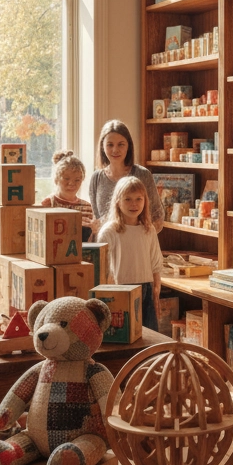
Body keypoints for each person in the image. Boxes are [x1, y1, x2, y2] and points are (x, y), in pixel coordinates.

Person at [96, 175, 162, 333]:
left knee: (149, 335)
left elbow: (155, 262)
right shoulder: (109, 231)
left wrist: (156, 291)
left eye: (139, 199)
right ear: (118, 201)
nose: (134, 204)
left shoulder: (148, 229)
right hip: (120, 289)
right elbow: (102, 268)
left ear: (145, 201)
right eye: (128, 199)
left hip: (146, 289)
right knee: (125, 334)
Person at [88, 121, 164, 232]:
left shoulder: (143, 175)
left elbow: (158, 217)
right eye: (110, 145)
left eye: (121, 144)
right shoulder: (96, 178)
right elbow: (96, 221)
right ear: (102, 147)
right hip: (107, 245)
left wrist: (138, 237)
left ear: (128, 146)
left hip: (136, 244)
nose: (115, 150)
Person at [40, 150, 95, 240]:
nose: (71, 183)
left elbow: (90, 241)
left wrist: (94, 229)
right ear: (56, 178)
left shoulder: (87, 207)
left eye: (77, 180)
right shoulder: (49, 204)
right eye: (66, 178)